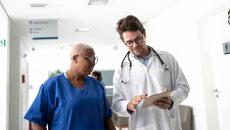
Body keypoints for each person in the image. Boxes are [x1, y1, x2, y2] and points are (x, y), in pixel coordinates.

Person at [112, 15, 190, 130]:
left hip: (168, 124)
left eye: (138, 39)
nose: (135, 45)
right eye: (129, 42)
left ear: (144, 34)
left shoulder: (167, 58)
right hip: (141, 125)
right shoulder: (121, 70)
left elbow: (183, 87)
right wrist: (129, 105)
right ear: (124, 42)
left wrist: (172, 100)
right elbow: (117, 104)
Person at [24, 43, 115, 130]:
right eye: (89, 59)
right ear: (75, 58)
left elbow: (107, 119)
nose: (93, 63)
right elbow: (36, 121)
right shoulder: (52, 86)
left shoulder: (97, 86)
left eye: (95, 59)